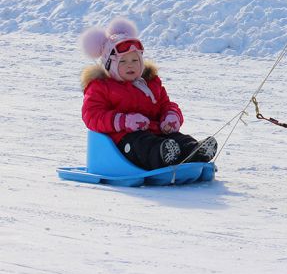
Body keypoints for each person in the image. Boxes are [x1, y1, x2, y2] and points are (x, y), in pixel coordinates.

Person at [79, 17, 217, 170]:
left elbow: (166, 104)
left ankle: (196, 152)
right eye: (123, 61)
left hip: (157, 134)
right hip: (123, 140)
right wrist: (124, 121)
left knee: (178, 139)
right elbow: (92, 115)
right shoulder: (101, 87)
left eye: (135, 60)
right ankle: (164, 157)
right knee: (144, 144)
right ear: (109, 64)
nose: (130, 65)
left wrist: (171, 116)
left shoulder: (150, 83)